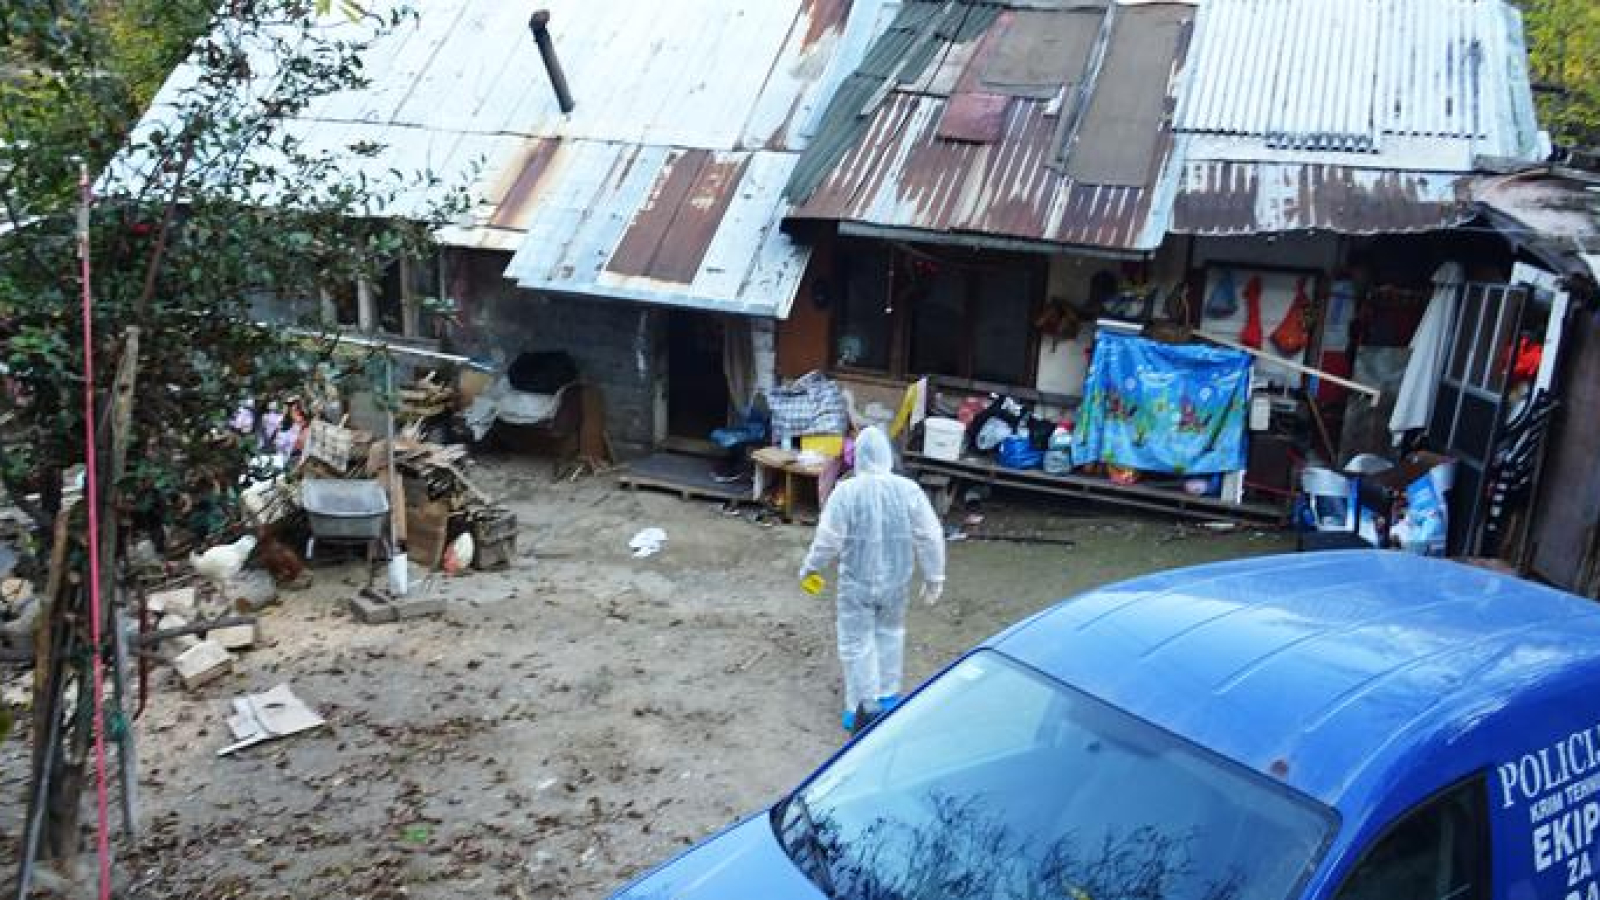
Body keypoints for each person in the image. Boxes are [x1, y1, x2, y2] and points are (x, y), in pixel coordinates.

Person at [799, 426, 946, 733]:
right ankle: (888, 695)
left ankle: (861, 707)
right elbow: (929, 534)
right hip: (896, 581)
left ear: (858, 457)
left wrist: (811, 567)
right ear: (887, 455)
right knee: (890, 634)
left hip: (857, 583)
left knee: (857, 643)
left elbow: (828, 538)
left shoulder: (846, 492)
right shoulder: (908, 490)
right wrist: (934, 576)